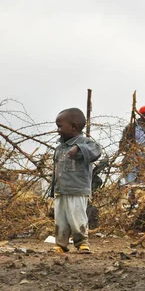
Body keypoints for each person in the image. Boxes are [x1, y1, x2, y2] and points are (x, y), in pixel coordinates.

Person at [50, 108, 102, 253]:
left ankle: (82, 243)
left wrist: (78, 149)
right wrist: (53, 190)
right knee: (60, 220)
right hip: (61, 190)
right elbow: (56, 170)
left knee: (77, 218)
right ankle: (61, 244)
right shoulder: (60, 147)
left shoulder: (86, 143)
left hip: (77, 190)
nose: (58, 130)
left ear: (73, 126)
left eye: (60, 126)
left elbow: (97, 150)